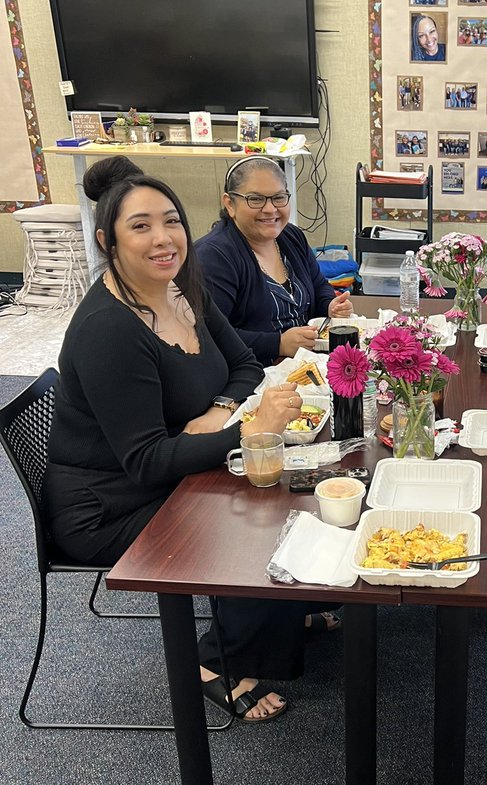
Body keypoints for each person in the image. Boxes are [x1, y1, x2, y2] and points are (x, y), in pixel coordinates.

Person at [42, 159, 337, 724]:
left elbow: (246, 365)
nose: (162, 238)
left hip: (167, 464)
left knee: (286, 480)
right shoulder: (110, 329)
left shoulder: (182, 288)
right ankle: (214, 661)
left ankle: (282, 607)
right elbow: (147, 459)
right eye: (140, 226)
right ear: (107, 241)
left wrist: (220, 412)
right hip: (110, 503)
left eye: (171, 221)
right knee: (259, 502)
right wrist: (244, 434)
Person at [195, 156, 352, 366]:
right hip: (253, 372)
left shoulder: (291, 236)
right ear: (230, 204)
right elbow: (209, 335)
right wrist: (278, 343)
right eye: (256, 199)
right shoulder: (214, 256)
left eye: (278, 198)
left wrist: (330, 306)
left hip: (307, 363)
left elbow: (318, 284)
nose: (270, 209)